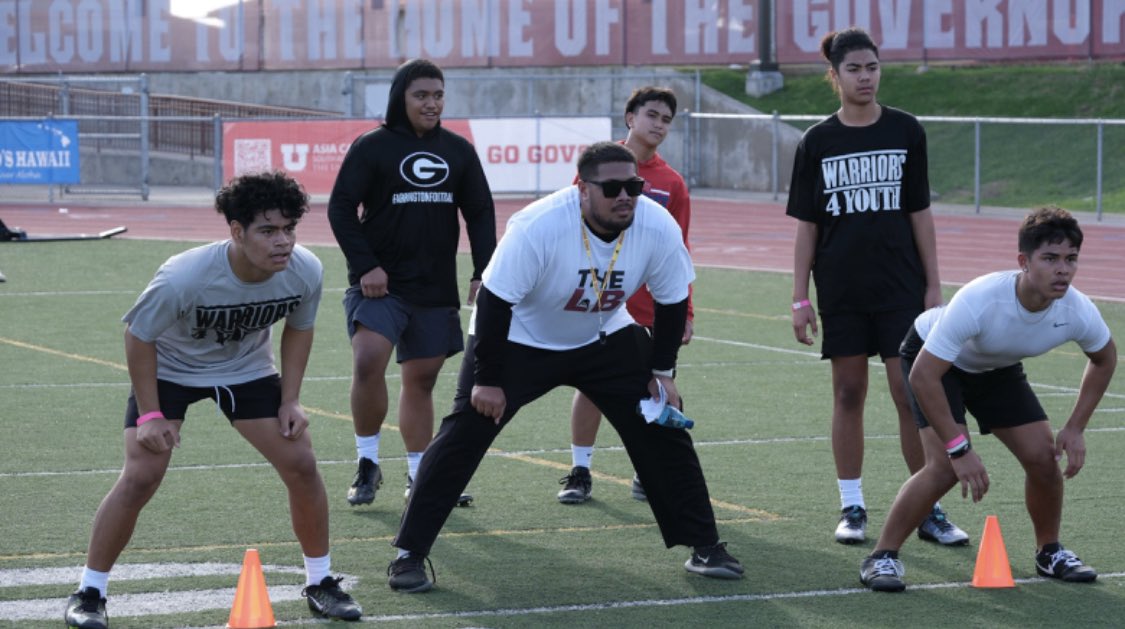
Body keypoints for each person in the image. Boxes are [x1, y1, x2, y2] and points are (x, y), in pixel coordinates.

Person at [385, 141, 743, 593]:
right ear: (581, 189)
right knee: (464, 433)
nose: (625, 196)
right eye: (612, 187)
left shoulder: (656, 225)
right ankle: (408, 554)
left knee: (663, 425)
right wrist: (489, 379)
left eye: (633, 185)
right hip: (518, 338)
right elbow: (495, 303)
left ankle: (705, 545)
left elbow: (672, 302)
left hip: (605, 336)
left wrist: (663, 374)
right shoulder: (539, 225)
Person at [63, 171, 362, 629]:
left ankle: (320, 582)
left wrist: (291, 399)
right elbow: (138, 336)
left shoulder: (305, 270)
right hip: (171, 369)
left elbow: (299, 328)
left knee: (301, 462)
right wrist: (150, 414)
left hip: (246, 370)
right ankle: (89, 592)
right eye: (267, 230)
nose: (282, 242)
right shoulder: (185, 276)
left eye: (288, 229)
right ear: (237, 231)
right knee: (142, 475)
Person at [860, 206, 1116, 592]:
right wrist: (959, 450)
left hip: (996, 370)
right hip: (935, 362)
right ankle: (881, 557)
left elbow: (1104, 358)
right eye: (1050, 258)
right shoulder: (982, 298)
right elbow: (924, 375)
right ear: (1023, 262)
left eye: (1070, 259)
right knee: (944, 467)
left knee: (1043, 458)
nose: (1062, 269)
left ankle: (1049, 551)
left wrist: (1076, 426)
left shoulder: (1077, 309)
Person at [787, 27, 967, 545]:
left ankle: (926, 509)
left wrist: (934, 288)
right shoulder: (817, 141)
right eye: (854, 69)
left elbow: (921, 215)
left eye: (872, 67)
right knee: (848, 392)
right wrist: (800, 297)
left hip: (900, 289)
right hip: (842, 288)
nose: (865, 77)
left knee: (910, 392)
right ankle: (853, 507)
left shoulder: (907, 130)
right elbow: (807, 226)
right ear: (835, 75)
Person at [327, 58, 496, 506]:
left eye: (438, 95)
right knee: (368, 361)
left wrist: (484, 271)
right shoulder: (373, 146)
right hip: (380, 285)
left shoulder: (458, 150)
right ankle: (367, 463)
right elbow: (340, 207)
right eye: (421, 95)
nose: (432, 103)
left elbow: (479, 212)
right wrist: (366, 266)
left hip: (434, 286)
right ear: (401, 98)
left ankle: (420, 476)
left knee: (420, 381)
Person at [557, 86, 694, 505]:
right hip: (599, 302)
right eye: (651, 115)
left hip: (648, 310)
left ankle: (647, 472)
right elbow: (571, 228)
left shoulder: (671, 184)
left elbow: (679, 250)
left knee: (658, 387)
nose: (658, 125)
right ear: (630, 117)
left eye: (667, 119)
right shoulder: (597, 167)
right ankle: (580, 470)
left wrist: (685, 309)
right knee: (591, 387)